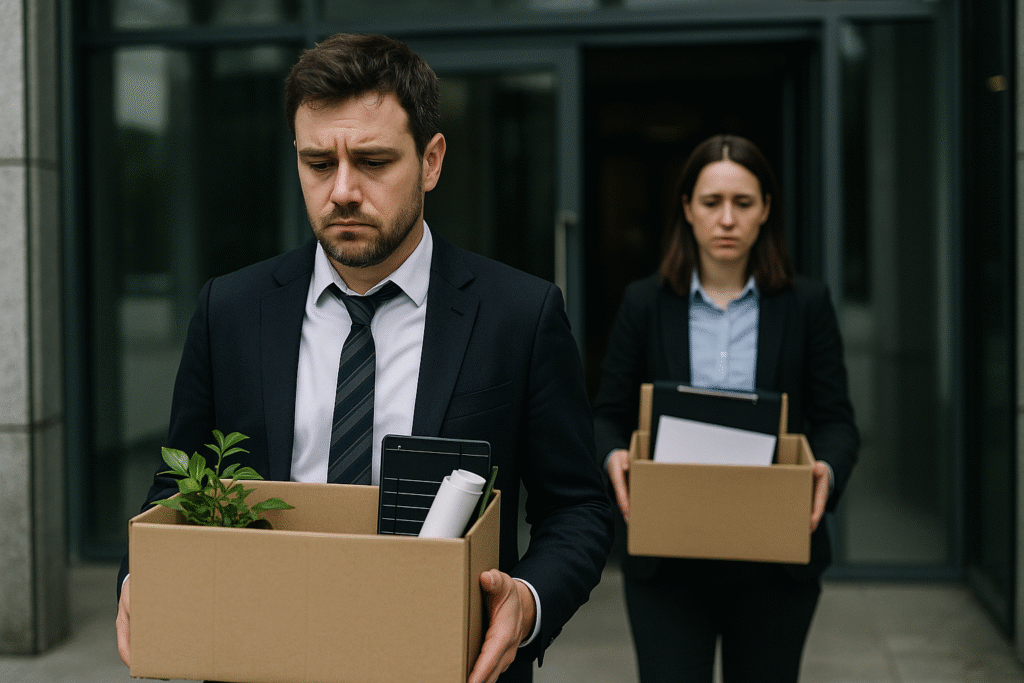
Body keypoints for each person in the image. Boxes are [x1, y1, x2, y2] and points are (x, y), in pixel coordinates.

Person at [115, 33, 612, 683]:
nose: (343, 190)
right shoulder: (229, 310)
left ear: (431, 161)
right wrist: (142, 572)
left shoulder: (519, 315)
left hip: (443, 664)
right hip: (260, 657)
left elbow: (576, 508)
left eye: (373, 161)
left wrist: (528, 601)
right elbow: (179, 486)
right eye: (319, 163)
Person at [592, 134, 858, 683]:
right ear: (688, 209)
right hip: (668, 557)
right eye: (712, 202)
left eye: (743, 202)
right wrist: (613, 455)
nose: (727, 219)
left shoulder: (806, 304)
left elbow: (837, 421)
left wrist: (825, 470)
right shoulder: (644, 303)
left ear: (766, 210)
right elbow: (606, 416)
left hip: (775, 558)